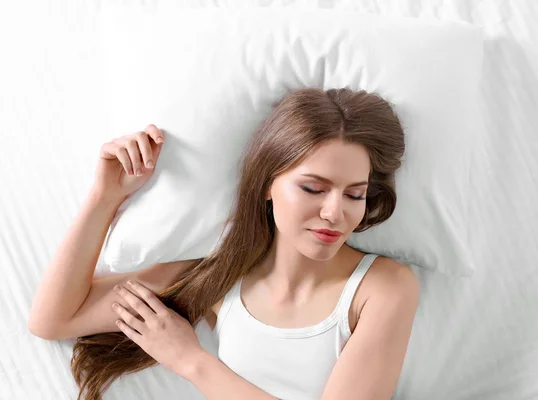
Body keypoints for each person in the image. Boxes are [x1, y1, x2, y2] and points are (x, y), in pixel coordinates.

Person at [28, 87, 420, 400]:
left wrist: (191, 360)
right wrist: (105, 198)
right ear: (267, 184)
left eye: (355, 195)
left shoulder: (381, 288)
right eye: (313, 188)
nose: (335, 213)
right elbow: (54, 319)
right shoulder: (217, 277)